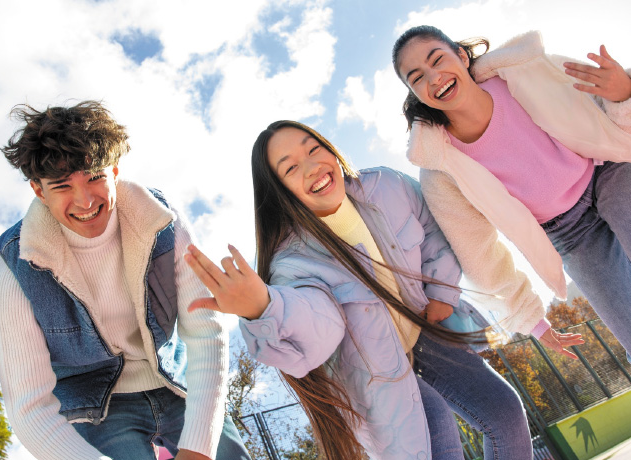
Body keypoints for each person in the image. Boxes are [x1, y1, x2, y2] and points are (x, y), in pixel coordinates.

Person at [182, 120, 565, 459]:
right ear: (280, 193)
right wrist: (263, 307)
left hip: (424, 329)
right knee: (436, 433)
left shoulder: (386, 186)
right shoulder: (292, 261)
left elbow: (435, 230)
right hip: (377, 372)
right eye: (291, 168)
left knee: (505, 413)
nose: (313, 166)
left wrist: (441, 296)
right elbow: (316, 323)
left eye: (314, 149)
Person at [0, 101, 250, 460]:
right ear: (39, 190)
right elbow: (29, 405)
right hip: (94, 408)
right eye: (62, 186)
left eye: (95, 177)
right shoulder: (15, 265)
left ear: (113, 170)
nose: (84, 201)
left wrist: (198, 447)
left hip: (178, 381)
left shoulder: (161, 222)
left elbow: (206, 331)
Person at [391, 25, 631, 356]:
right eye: (417, 78)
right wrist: (531, 320)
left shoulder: (523, 72)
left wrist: (624, 94)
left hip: (609, 173)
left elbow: (601, 104)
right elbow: (478, 253)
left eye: (437, 60)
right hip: (570, 232)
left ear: (461, 56)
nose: (433, 78)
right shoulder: (442, 166)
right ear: (414, 92)